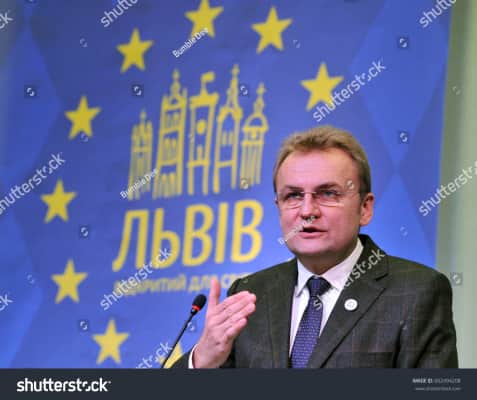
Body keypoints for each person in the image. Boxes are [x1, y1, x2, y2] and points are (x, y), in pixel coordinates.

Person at [172, 125, 458, 368]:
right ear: (278, 207)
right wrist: (202, 359)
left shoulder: (416, 291)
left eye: (328, 193)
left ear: (365, 208)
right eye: (293, 196)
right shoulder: (250, 295)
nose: (307, 210)